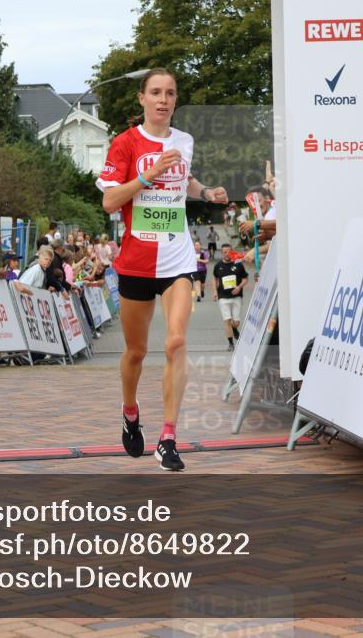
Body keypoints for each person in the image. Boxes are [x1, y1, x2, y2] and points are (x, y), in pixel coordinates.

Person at [96, 67, 229, 471]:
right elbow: (109, 202)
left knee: (175, 343)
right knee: (136, 351)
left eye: (170, 93)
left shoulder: (184, 140)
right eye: (155, 92)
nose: (163, 99)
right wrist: (146, 176)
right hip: (136, 261)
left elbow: (183, 178)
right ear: (142, 99)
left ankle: (168, 437)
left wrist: (205, 192)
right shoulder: (125, 143)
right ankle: (130, 412)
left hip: (177, 259)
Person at [213, 244, 248, 350]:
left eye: (228, 252)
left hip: (236, 296)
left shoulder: (238, 264)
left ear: (231, 252)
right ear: (221, 253)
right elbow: (215, 278)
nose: (226, 254)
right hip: (223, 297)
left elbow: (245, 279)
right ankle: (230, 344)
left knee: (236, 322)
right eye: (224, 252)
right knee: (227, 320)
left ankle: (235, 328)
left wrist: (239, 287)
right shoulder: (218, 265)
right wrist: (215, 291)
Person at [192, 240, 209, 306]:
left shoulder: (204, 253)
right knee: (197, 282)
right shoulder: (192, 252)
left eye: (198, 245)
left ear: (200, 246)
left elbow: (207, 261)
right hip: (195, 270)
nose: (196, 246)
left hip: (203, 270)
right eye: (195, 245)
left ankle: (202, 291)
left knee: (202, 284)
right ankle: (198, 295)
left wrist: (200, 260)